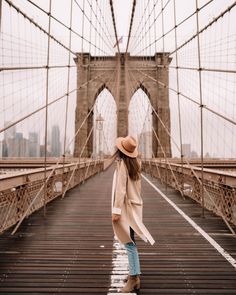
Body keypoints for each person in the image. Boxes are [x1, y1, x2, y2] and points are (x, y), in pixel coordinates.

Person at [111, 135, 155, 293]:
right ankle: (133, 273)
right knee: (131, 240)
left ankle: (134, 278)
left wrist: (116, 211)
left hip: (126, 208)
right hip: (136, 207)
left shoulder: (123, 164)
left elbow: (121, 189)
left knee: (129, 243)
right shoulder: (136, 164)